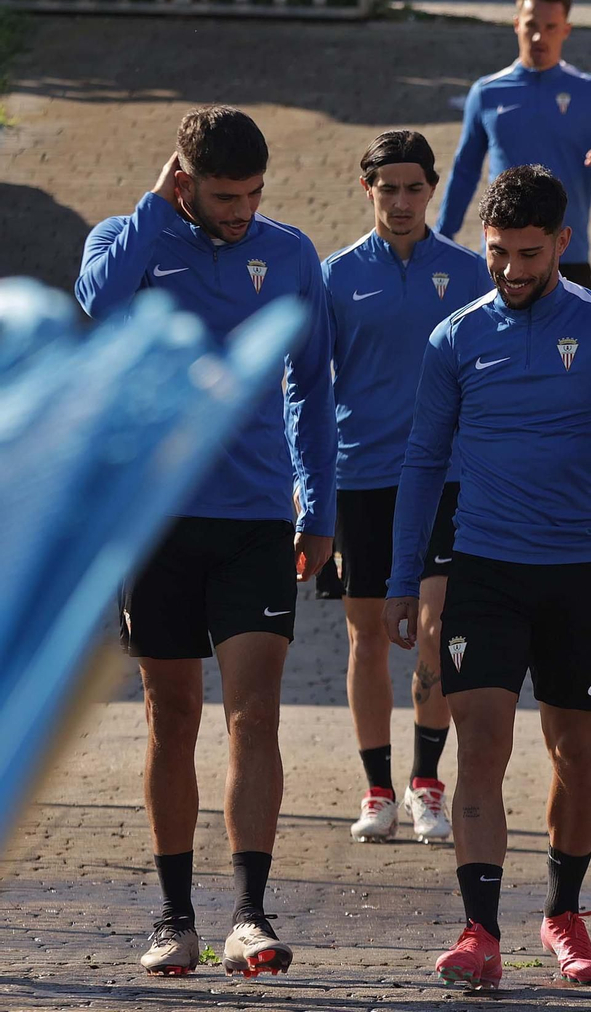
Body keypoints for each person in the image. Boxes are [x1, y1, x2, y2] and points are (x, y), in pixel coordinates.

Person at [384, 165, 591, 991]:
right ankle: (478, 930)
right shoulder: (457, 337)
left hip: (579, 572)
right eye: (499, 253)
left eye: (529, 253)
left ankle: (563, 910)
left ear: (563, 244)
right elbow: (422, 461)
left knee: (575, 753)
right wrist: (405, 578)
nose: (512, 269)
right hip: (484, 570)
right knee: (483, 748)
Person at [75, 106, 336, 979]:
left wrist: (320, 502)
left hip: (258, 517)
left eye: (255, 193)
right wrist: (156, 211)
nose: (243, 210)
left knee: (254, 710)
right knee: (171, 713)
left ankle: (251, 915)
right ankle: (173, 916)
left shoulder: (291, 253)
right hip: (157, 519)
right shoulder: (130, 237)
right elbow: (94, 307)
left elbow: (310, 386)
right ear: (181, 179)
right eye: (225, 195)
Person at [323, 130, 493, 846]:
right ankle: (377, 788)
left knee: (435, 631)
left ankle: (427, 783)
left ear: (431, 190)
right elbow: (305, 384)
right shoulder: (333, 275)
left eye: (413, 188)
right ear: (368, 190)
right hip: (361, 476)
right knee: (366, 636)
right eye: (386, 188)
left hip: (446, 478)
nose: (400, 201)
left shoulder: (468, 270)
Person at [434, 0, 591, 290]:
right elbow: (464, 172)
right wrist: (441, 238)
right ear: (516, 25)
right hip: (503, 254)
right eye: (531, 25)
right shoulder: (487, 92)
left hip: (568, 254)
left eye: (551, 27)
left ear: (566, 30)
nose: (539, 36)